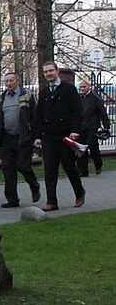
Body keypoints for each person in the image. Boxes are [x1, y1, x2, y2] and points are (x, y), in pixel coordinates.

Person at [34, 62, 85, 212]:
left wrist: (75, 130)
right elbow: (39, 116)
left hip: (65, 135)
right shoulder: (43, 93)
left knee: (69, 167)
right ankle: (51, 201)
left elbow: (77, 112)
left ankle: (79, 192)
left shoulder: (69, 89)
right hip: (49, 136)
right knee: (50, 169)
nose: (48, 74)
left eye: (51, 71)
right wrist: (38, 136)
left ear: (57, 71)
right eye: (45, 72)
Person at [0, 72, 41, 208]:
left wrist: (34, 135)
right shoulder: (2, 97)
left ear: (18, 81)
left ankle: (34, 184)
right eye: (6, 81)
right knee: (8, 169)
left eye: (11, 81)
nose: (8, 84)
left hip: (23, 137)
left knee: (22, 165)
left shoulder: (26, 95)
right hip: (7, 138)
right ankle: (12, 199)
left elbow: (35, 116)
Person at [77, 80, 110, 176]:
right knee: (81, 149)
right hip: (81, 127)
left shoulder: (96, 99)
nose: (82, 89)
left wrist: (106, 126)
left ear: (89, 86)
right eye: (81, 87)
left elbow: (103, 113)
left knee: (93, 146)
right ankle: (83, 171)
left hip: (92, 127)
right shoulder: (78, 98)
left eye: (84, 87)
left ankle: (98, 164)